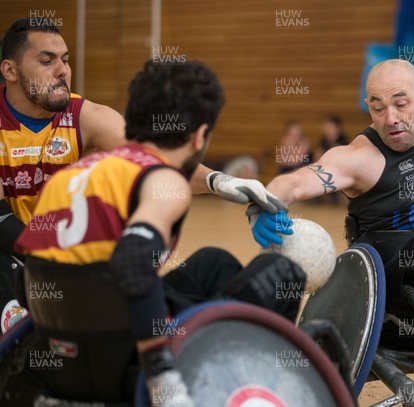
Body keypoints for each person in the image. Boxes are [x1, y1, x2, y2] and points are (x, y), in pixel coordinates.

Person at [13, 60, 306, 406]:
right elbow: (134, 261)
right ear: (199, 135)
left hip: (59, 363)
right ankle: (233, 388)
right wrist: (163, 376)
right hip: (127, 371)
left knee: (214, 263)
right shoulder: (165, 181)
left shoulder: (70, 176)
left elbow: (37, 276)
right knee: (284, 273)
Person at [250, 59, 414, 403]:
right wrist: (262, 204)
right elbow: (296, 182)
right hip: (392, 284)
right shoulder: (361, 156)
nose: (390, 118)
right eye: (378, 107)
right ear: (368, 108)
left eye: (401, 104)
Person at [0, 18, 287, 332]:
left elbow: (158, 159)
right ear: (10, 71)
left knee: (215, 263)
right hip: (22, 260)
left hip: (76, 274)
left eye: (65, 60)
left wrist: (220, 182)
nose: (62, 71)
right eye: (46, 61)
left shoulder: (83, 116)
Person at [314, 115, 348, 204]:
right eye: (326, 126)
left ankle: (335, 197)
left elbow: (339, 160)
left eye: (330, 126)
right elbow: (317, 158)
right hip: (325, 170)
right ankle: (315, 197)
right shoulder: (324, 141)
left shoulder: (343, 141)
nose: (327, 129)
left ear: (338, 128)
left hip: (340, 172)